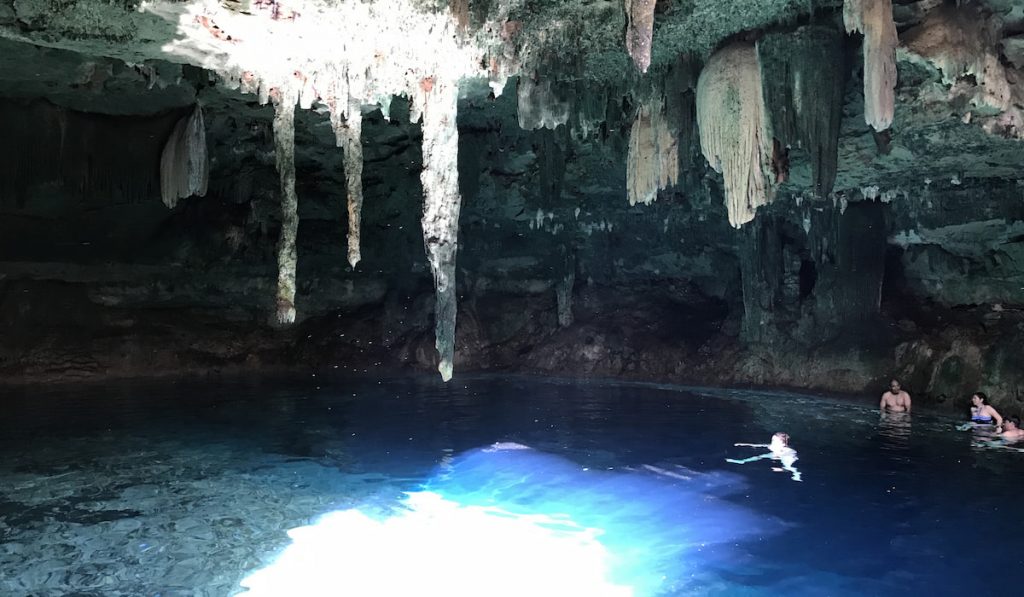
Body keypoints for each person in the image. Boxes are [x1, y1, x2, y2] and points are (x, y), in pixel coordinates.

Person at [727, 432, 802, 482]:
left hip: (787, 456)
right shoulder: (773, 446)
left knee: (788, 467)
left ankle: (797, 474)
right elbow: (758, 445)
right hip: (776, 454)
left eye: (775, 441)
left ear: (783, 444)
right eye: (773, 440)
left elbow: (792, 454)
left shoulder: (788, 450)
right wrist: (743, 444)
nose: (773, 442)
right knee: (759, 456)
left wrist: (784, 457)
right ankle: (743, 461)